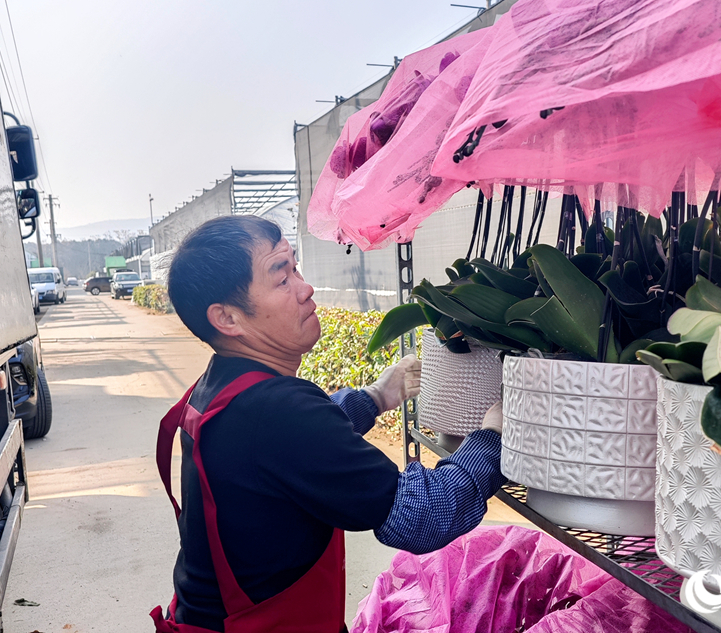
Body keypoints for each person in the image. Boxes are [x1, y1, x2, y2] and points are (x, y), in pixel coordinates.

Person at [150, 215, 506, 633]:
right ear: (227, 318)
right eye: (281, 279)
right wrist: (494, 437)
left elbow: (305, 442)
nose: (305, 288)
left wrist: (376, 396)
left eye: (295, 267)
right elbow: (425, 515)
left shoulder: (219, 387)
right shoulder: (276, 412)